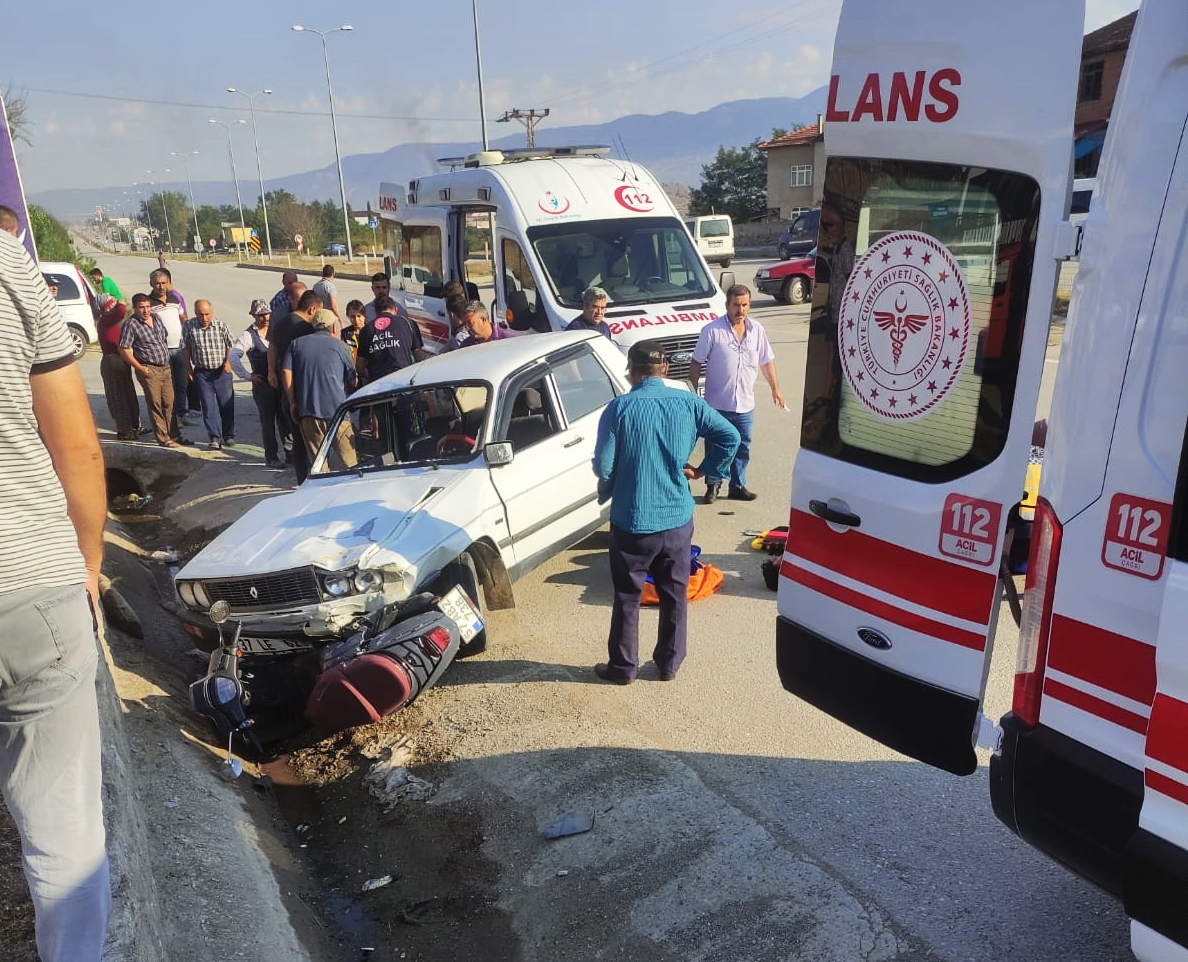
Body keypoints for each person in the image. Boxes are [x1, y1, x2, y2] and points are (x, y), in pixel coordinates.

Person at [0, 229, 112, 962]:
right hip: (32, 583)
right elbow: (77, 445)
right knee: (63, 830)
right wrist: (89, 570)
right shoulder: (8, 262)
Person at [591, 339, 739, 685]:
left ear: (631, 371)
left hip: (632, 520)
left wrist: (612, 483)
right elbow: (730, 436)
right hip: (677, 520)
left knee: (628, 596)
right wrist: (704, 471)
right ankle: (669, 664)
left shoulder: (619, 409)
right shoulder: (689, 402)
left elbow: (604, 465)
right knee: (674, 593)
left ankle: (623, 668)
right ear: (666, 370)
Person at [687, 283, 785, 503]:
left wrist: (775, 388)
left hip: (744, 405)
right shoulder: (712, 331)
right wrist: (693, 395)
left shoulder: (757, 330)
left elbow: (766, 361)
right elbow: (696, 363)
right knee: (716, 446)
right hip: (717, 404)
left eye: (744, 305)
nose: (740, 310)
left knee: (743, 446)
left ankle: (737, 485)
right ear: (727, 305)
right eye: (735, 305)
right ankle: (712, 485)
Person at [283, 308, 357, 469]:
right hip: (339, 413)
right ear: (334, 328)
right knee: (350, 463)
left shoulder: (296, 344)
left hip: (309, 411)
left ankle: (323, 492)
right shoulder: (341, 347)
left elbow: (286, 371)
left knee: (319, 465)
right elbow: (352, 381)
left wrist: (292, 402)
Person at [268, 289, 320, 481]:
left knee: (297, 439)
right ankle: (316, 480)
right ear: (312, 308)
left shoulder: (281, 324)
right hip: (305, 390)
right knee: (314, 440)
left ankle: (301, 481)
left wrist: (270, 371)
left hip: (286, 389)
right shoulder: (305, 329)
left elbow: (272, 347)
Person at [119, 293, 185, 447]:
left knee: (170, 402)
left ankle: (174, 435)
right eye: (141, 307)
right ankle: (163, 438)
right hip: (149, 369)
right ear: (135, 308)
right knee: (156, 404)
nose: (145, 310)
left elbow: (163, 337)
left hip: (165, 367)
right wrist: (139, 367)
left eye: (148, 306)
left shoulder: (156, 318)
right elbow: (123, 349)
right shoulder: (131, 324)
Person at [231, 299, 287, 468]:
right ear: (254, 316)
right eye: (260, 315)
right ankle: (271, 456)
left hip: (280, 382)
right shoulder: (249, 335)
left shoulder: (276, 330)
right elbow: (234, 356)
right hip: (263, 384)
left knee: (284, 419)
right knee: (268, 421)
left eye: (266, 314)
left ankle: (290, 452)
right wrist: (248, 376)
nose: (264, 318)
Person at [183, 299, 236, 450]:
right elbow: (185, 348)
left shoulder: (220, 325)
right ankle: (214, 437)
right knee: (208, 406)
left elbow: (230, 344)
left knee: (226, 404)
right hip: (202, 373)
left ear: (211, 312)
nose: (204, 318)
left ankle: (228, 435)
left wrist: (228, 362)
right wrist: (188, 368)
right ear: (195, 313)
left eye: (207, 314)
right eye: (201, 314)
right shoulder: (189, 326)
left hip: (221, 371)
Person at [148, 268, 193, 423]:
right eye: (157, 284)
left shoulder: (174, 299)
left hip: (179, 348)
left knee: (182, 382)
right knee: (167, 385)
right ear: (151, 284)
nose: (160, 286)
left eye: (163, 283)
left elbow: (183, 317)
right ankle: (169, 416)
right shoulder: (149, 303)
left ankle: (182, 413)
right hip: (162, 351)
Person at [96, 296, 143, 439]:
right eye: (111, 305)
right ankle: (124, 430)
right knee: (119, 396)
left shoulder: (109, 321)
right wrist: (119, 300)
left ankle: (135, 426)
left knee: (128, 393)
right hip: (112, 360)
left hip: (120, 359)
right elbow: (122, 310)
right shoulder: (106, 319)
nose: (114, 307)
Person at [355, 294, 427, 384]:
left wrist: (373, 378)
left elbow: (359, 367)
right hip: (403, 380)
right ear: (396, 310)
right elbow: (420, 357)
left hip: (378, 384)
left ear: (376, 313)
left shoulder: (366, 330)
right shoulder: (409, 323)